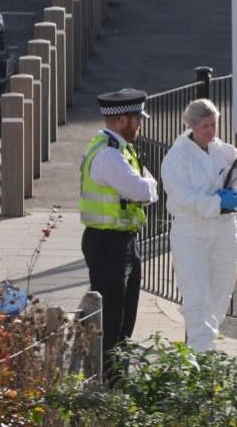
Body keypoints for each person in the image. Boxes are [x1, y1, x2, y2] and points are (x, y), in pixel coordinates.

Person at [161, 99, 237, 353]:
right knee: (197, 297)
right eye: (205, 126)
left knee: (220, 295)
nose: (211, 131)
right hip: (191, 232)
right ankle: (200, 356)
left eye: (214, 124)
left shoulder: (227, 152)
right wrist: (216, 202)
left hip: (225, 230)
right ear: (191, 126)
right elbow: (183, 198)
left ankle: (206, 348)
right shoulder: (177, 157)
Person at [79, 89, 158, 376]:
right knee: (112, 315)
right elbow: (143, 189)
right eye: (138, 119)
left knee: (125, 311)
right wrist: (145, 188)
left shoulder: (121, 149)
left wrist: (146, 188)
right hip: (108, 242)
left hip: (122, 239)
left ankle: (114, 372)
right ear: (123, 120)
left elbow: (149, 186)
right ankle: (107, 376)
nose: (140, 125)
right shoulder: (109, 154)